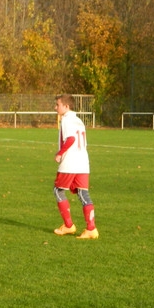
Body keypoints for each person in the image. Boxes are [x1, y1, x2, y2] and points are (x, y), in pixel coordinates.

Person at [53, 94, 99, 239]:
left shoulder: (66, 119)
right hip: (83, 162)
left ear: (66, 106)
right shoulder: (79, 120)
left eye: (58, 105)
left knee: (58, 191)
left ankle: (68, 226)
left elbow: (71, 139)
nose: (56, 107)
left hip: (70, 163)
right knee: (82, 193)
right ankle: (91, 229)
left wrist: (60, 153)